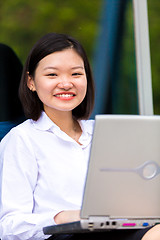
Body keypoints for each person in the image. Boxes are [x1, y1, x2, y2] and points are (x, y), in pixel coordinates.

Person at [0, 33, 153, 240]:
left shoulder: (105, 133)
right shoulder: (22, 140)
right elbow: (8, 227)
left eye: (76, 74)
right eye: (52, 75)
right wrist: (62, 217)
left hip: (117, 229)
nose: (66, 83)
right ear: (31, 82)